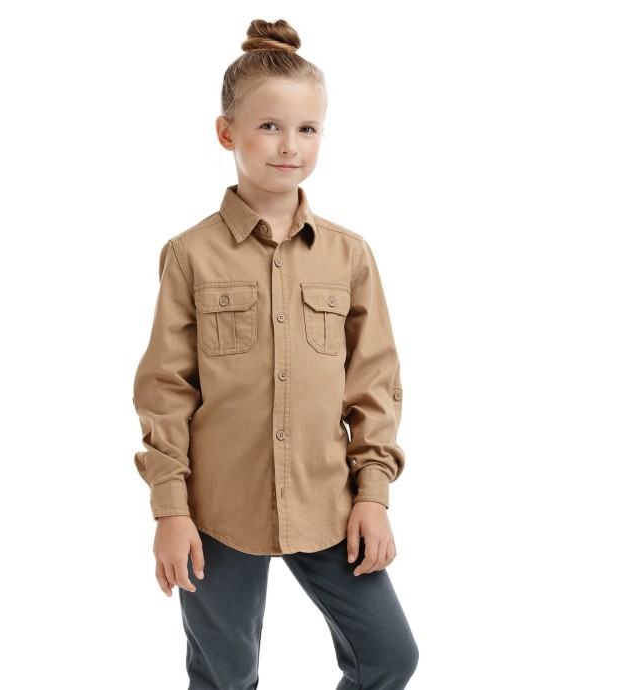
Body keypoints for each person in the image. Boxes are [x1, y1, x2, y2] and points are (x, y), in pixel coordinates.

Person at [132, 18, 419, 690]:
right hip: (218, 512)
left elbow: (375, 384)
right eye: (269, 126)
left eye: (307, 129)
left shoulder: (350, 256)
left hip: (329, 504)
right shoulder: (190, 256)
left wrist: (373, 496)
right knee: (225, 677)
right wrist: (171, 510)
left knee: (389, 655)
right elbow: (165, 390)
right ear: (226, 132)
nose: (290, 145)